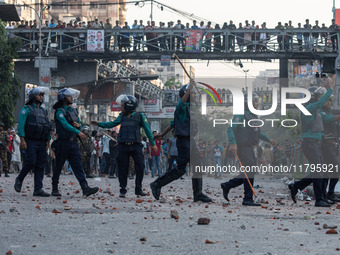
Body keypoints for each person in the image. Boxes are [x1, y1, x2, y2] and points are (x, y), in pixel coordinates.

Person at [150, 81, 212, 203]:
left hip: (191, 140)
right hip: (183, 141)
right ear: (187, 94)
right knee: (180, 170)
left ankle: (198, 193)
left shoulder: (189, 109)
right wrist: (190, 89)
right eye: (192, 93)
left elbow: (173, 124)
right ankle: (157, 184)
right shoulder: (181, 107)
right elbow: (180, 103)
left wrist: (162, 134)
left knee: (197, 165)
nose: (194, 95)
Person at [91, 94, 157, 198]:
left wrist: (153, 144)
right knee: (122, 168)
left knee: (140, 167)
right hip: (123, 146)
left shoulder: (140, 116)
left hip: (136, 146)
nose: (121, 107)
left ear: (129, 105)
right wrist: (99, 124)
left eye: (122, 105)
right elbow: (111, 124)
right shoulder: (121, 116)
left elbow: (148, 131)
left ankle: (138, 189)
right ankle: (122, 189)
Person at [221, 92, 276, 206]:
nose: (257, 103)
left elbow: (257, 132)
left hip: (250, 148)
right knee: (249, 171)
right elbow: (230, 129)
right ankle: (247, 198)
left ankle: (228, 185)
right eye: (255, 101)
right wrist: (233, 143)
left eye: (257, 101)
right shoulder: (241, 115)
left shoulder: (254, 116)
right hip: (242, 147)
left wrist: (268, 139)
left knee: (250, 171)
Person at [288, 77, 336, 207]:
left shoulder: (315, 111)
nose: (323, 99)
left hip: (315, 143)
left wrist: (324, 137)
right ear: (314, 97)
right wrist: (331, 87)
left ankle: (296, 186)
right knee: (319, 171)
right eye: (320, 96)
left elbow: (316, 128)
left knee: (318, 171)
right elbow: (321, 103)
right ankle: (319, 199)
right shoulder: (308, 108)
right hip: (310, 144)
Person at [51, 88, 99, 197]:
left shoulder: (73, 111)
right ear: (63, 98)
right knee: (58, 166)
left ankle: (85, 188)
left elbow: (79, 123)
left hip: (73, 143)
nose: (72, 98)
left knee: (78, 166)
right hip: (63, 143)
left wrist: (79, 126)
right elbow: (65, 125)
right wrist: (78, 132)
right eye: (69, 96)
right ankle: (54, 188)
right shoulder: (59, 112)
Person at [14, 87, 52, 196]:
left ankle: (38, 189)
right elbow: (21, 126)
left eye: (42, 95)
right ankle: (19, 179)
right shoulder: (26, 109)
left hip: (41, 141)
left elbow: (46, 126)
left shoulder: (43, 111)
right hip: (30, 140)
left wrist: (48, 139)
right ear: (32, 96)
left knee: (41, 164)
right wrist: (22, 140)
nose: (41, 97)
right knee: (31, 161)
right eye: (39, 95)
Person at [319, 94, 340, 202]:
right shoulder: (319, 112)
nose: (329, 103)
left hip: (332, 145)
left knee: (328, 170)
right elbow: (327, 120)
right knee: (335, 167)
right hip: (325, 145)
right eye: (327, 101)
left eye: (330, 101)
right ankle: (327, 193)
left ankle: (327, 194)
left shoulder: (328, 112)